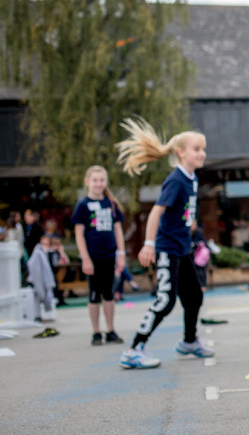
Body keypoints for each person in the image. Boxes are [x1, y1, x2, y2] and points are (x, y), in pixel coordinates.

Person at [115, 117, 213, 369]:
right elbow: (156, 212)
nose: (202, 153)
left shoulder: (192, 179)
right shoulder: (176, 180)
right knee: (165, 301)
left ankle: (189, 341)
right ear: (181, 153)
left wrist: (188, 224)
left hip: (183, 248)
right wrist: (149, 244)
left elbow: (182, 212)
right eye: (196, 149)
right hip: (168, 249)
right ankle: (134, 349)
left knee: (194, 296)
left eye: (203, 149)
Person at [72, 165, 127, 346]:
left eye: (101, 180)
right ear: (88, 182)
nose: (98, 183)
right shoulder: (83, 205)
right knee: (94, 293)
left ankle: (110, 330)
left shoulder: (110, 204)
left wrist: (121, 254)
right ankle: (96, 331)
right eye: (95, 180)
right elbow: (79, 233)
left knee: (108, 293)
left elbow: (118, 230)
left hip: (109, 255)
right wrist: (85, 258)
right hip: (92, 256)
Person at [27, 235, 59, 338]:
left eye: (47, 244)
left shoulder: (50, 254)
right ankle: (38, 315)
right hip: (36, 282)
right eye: (43, 244)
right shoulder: (38, 254)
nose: (45, 247)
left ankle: (42, 314)